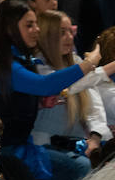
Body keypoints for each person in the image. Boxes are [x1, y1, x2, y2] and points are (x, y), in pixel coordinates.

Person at [0, 0, 115, 180]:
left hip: (18, 145)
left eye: (36, 24)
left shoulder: (20, 59)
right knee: (79, 169)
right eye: (29, 25)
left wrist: (38, 103)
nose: (36, 30)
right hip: (2, 149)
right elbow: (45, 85)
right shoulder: (2, 64)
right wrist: (89, 63)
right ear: (9, 28)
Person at [33, 10, 111, 165]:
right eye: (62, 32)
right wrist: (112, 65)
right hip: (45, 146)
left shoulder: (77, 62)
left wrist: (95, 138)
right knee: (83, 166)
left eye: (71, 31)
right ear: (46, 35)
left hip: (78, 144)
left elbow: (94, 108)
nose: (69, 37)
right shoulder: (37, 66)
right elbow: (65, 85)